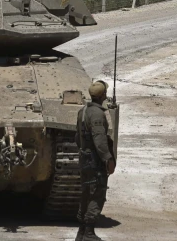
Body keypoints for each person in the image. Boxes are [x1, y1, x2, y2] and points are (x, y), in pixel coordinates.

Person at [74, 80, 116, 241]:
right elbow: (100, 140)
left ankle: (81, 231)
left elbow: (77, 136)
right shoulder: (97, 114)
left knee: (86, 193)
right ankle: (89, 233)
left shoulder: (83, 111)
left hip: (84, 157)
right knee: (97, 193)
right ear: (103, 95)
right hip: (94, 159)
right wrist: (107, 158)